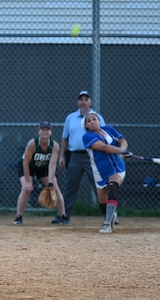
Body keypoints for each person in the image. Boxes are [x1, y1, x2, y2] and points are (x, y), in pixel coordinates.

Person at [52, 90, 109, 225]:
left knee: (99, 186)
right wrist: (62, 156)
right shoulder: (70, 118)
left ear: (90, 102)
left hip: (92, 155)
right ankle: (64, 215)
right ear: (78, 102)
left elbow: (104, 136)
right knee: (70, 187)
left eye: (86, 99)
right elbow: (65, 138)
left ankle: (109, 215)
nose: (83, 102)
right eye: (81, 99)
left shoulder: (97, 117)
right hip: (75, 156)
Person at [14, 121, 69, 225]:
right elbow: (25, 162)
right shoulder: (33, 143)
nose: (45, 131)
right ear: (38, 131)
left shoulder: (54, 146)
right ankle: (18, 216)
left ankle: (63, 216)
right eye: (42, 129)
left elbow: (52, 165)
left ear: (51, 132)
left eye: (47, 129)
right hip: (28, 166)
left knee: (56, 189)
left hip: (43, 167)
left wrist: (51, 183)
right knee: (26, 189)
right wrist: (27, 181)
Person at [83, 112, 128, 233]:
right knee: (102, 203)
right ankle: (110, 215)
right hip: (100, 171)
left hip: (117, 167)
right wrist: (120, 150)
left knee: (112, 186)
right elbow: (104, 148)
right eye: (89, 121)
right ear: (86, 125)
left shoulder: (108, 129)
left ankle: (107, 224)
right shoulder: (87, 136)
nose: (92, 122)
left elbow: (122, 140)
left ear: (99, 121)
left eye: (94, 119)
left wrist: (123, 150)